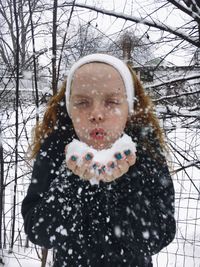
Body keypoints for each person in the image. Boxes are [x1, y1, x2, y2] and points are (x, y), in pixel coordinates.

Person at [21, 54, 176, 267]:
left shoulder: (146, 152)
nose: (96, 114)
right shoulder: (56, 149)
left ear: (128, 108)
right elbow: (38, 231)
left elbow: (160, 235)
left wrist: (124, 187)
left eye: (111, 101)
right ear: (69, 107)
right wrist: (71, 182)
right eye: (83, 102)